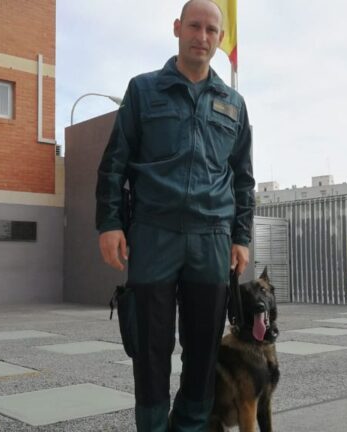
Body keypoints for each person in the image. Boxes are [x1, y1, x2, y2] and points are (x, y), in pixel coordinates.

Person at [95, 1, 254, 430]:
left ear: (220, 39)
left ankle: (189, 424)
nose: (202, 37)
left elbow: (242, 179)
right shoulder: (144, 91)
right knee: (150, 345)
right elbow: (115, 164)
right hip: (153, 234)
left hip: (211, 238)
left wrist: (241, 236)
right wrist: (109, 223)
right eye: (194, 27)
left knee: (203, 348)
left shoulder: (233, 104)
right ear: (177, 28)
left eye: (211, 30)